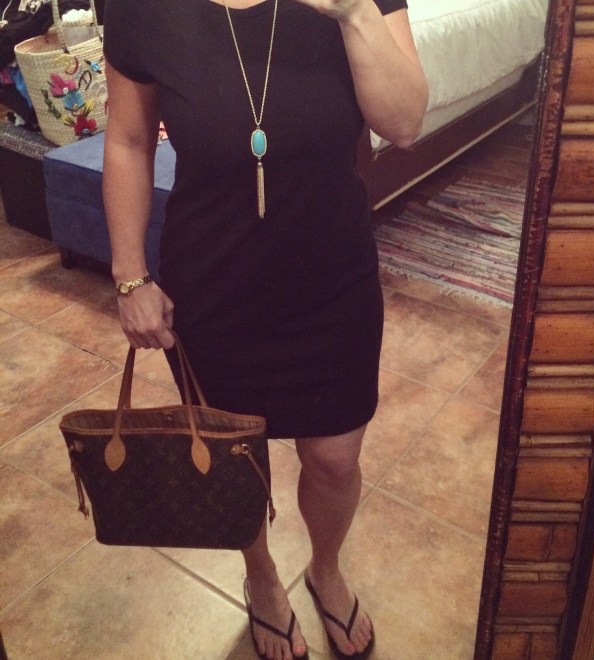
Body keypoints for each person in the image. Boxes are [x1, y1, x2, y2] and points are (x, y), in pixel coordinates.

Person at [102, 0, 427, 658]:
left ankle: (326, 568)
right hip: (213, 286)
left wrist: (353, 12)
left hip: (332, 278)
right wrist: (130, 276)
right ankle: (262, 578)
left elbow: (405, 124)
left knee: (334, 461)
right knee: (235, 457)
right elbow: (128, 140)